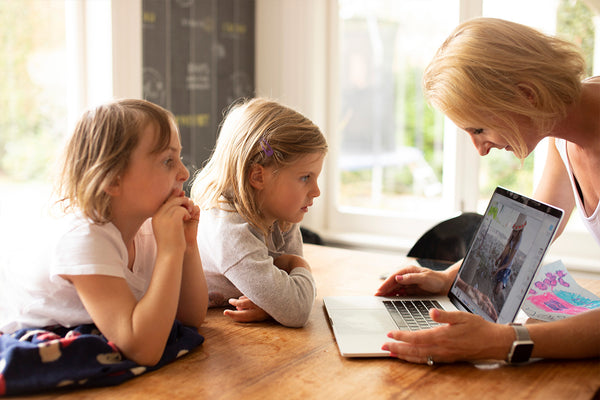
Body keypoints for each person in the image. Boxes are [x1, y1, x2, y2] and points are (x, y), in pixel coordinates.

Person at [376, 17, 600, 364]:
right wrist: (451, 278)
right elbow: (532, 234)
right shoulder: (563, 136)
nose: (479, 149)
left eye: (478, 128)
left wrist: (501, 341)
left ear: (527, 95)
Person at [0, 99, 209, 367]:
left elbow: (190, 317)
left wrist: (187, 246)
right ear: (112, 179)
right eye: (168, 160)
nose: (184, 172)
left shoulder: (149, 227)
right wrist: (169, 251)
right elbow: (143, 350)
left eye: (179, 157)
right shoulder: (85, 236)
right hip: (24, 334)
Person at [190, 98, 327, 328]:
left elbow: (295, 292)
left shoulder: (281, 214)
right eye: (305, 177)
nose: (316, 191)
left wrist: (272, 305)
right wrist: (298, 264)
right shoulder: (229, 231)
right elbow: (296, 309)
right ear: (258, 177)